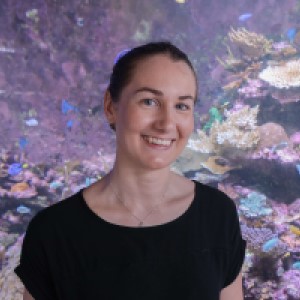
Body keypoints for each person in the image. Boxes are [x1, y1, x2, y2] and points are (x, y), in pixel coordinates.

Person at [14, 41, 247, 300]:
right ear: (111, 107)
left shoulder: (218, 215)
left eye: (182, 106)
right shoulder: (53, 232)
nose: (166, 123)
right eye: (149, 101)